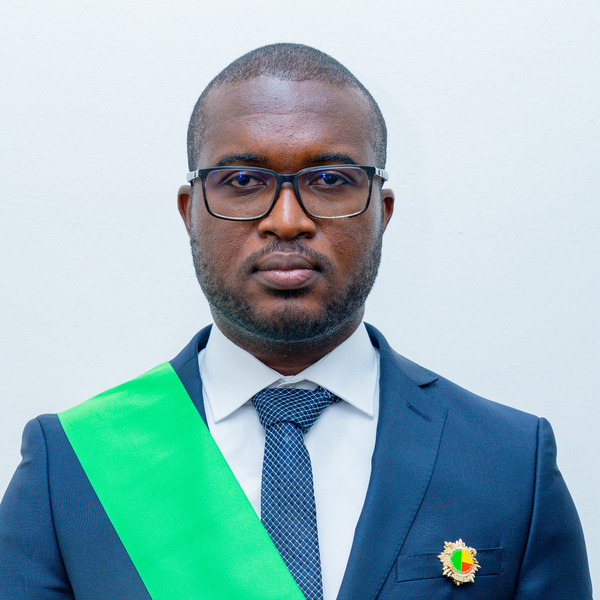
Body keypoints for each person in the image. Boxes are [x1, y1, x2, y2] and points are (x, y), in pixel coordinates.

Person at [0, 43, 592, 600]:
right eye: (242, 181)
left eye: (330, 180)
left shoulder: (509, 462)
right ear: (190, 213)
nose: (287, 220)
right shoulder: (71, 468)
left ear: (383, 213)